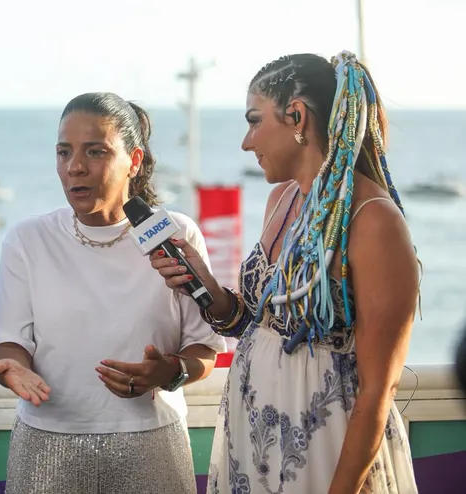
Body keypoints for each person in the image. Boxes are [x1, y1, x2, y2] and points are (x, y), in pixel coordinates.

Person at [150, 52, 420, 494]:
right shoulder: (281, 202)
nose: (246, 141)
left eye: (255, 121)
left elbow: (377, 390)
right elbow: (259, 321)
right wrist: (203, 283)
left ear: (296, 116)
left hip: (324, 448)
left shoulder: (373, 220)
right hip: (255, 436)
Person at [0, 92, 227, 493]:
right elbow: (8, 341)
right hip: (47, 446)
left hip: (152, 447)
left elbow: (205, 349)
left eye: (95, 152)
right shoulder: (28, 240)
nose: (75, 167)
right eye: (64, 152)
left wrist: (168, 372)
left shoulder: (176, 236)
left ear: (133, 161)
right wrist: (13, 366)